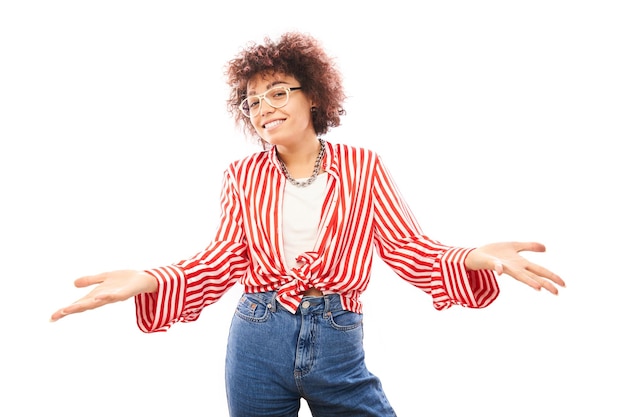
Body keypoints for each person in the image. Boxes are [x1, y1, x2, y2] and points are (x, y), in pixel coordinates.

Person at [50, 31, 565, 417]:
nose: (263, 109)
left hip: (338, 337)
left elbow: (408, 248)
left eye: (278, 93)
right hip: (256, 336)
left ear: (313, 95)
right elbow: (223, 258)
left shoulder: (363, 166)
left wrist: (476, 256)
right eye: (252, 101)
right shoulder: (241, 175)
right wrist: (150, 279)